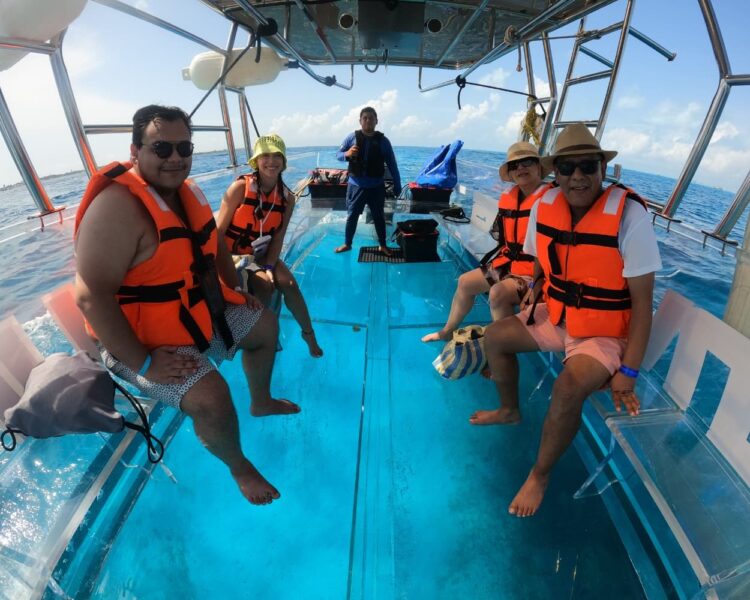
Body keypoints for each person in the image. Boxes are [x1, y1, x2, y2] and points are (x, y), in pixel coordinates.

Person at [74, 105, 300, 507]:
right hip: (139, 341)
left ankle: (260, 400)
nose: (175, 157)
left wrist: (234, 288)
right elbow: (91, 297)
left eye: (183, 147)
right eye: (161, 148)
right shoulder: (116, 208)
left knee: (264, 326)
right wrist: (144, 363)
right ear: (135, 151)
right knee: (211, 397)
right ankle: (239, 466)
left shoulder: (187, 192)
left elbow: (212, 247)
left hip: (193, 312)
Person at [481, 123, 662, 517]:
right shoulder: (545, 207)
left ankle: (539, 475)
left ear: (602, 169)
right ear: (555, 173)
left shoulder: (630, 218)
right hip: (559, 313)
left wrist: (627, 371)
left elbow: (643, 305)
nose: (578, 176)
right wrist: (536, 285)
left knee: (566, 389)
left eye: (587, 166)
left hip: (603, 331)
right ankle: (509, 410)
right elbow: (545, 258)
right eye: (567, 168)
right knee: (494, 337)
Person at [421, 141, 551, 347]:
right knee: (465, 282)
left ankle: (501, 349)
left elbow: (553, 252)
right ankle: (447, 331)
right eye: (514, 165)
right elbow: (501, 236)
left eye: (527, 162)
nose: (520, 168)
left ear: (539, 167)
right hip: (508, 264)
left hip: (535, 274)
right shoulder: (509, 198)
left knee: (497, 294)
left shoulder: (552, 200)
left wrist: (536, 286)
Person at [216, 133, 323, 357]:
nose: (271, 161)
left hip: (261, 256)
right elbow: (217, 234)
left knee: (289, 283)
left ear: (284, 162)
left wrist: (268, 268)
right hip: (231, 255)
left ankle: (308, 334)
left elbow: (278, 238)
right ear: (256, 160)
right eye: (265, 155)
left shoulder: (287, 198)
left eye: (277, 156)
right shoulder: (239, 189)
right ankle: (258, 334)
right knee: (265, 285)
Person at [334, 106, 402, 255]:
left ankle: (383, 245)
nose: (368, 120)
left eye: (371, 118)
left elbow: (392, 165)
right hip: (356, 186)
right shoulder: (351, 138)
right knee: (352, 216)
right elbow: (338, 155)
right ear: (360, 121)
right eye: (365, 118)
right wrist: (347, 153)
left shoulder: (384, 141)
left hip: (376, 187)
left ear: (376, 121)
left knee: (379, 217)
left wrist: (398, 185)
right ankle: (347, 243)